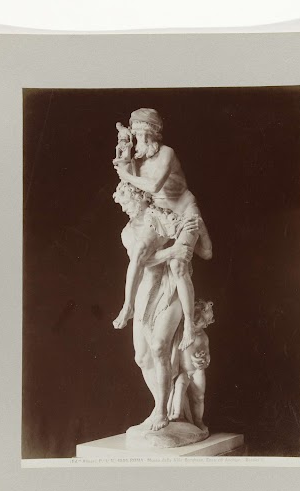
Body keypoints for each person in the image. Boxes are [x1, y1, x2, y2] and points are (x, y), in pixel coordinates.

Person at [113, 183, 212, 431]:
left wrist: (195, 233)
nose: (124, 208)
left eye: (127, 201)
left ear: (141, 197)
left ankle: (161, 411)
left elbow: (201, 252)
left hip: (170, 289)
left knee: (159, 347)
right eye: (122, 204)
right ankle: (164, 405)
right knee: (142, 357)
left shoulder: (164, 217)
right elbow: (141, 263)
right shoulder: (127, 232)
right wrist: (171, 251)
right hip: (145, 290)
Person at [113, 108, 212, 351]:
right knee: (139, 251)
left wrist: (126, 173)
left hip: (184, 211)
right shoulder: (137, 161)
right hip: (161, 216)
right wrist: (124, 156)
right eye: (138, 135)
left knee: (179, 265)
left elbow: (155, 185)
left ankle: (188, 325)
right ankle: (127, 306)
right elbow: (132, 186)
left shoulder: (167, 153)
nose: (142, 140)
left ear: (155, 134)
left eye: (147, 134)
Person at [169, 300, 214, 432]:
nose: (205, 326)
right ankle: (177, 414)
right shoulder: (180, 334)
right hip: (184, 371)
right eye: (202, 323)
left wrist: (203, 359)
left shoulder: (203, 336)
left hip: (197, 370)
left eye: (206, 323)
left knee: (199, 397)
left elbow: (207, 354)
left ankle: (198, 421)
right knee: (180, 386)